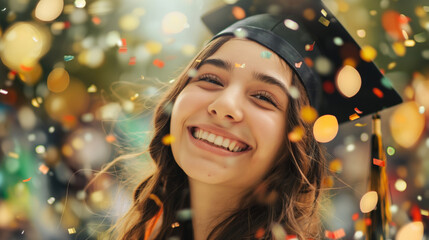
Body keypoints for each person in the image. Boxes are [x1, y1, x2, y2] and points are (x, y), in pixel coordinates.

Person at [99, 1, 402, 239]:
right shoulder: (147, 230)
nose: (225, 104)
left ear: (294, 144)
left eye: (264, 97)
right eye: (210, 79)